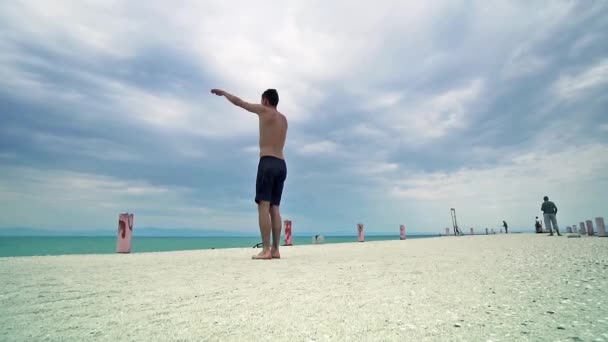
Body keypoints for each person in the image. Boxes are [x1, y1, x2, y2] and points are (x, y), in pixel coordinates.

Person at [211, 88, 288, 259]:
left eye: (262, 100)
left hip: (267, 162)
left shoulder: (264, 111)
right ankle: (276, 249)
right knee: (275, 207)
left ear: (266, 101)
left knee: (263, 205)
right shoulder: (284, 120)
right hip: (282, 164)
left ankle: (266, 249)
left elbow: (241, 103)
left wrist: (224, 93)